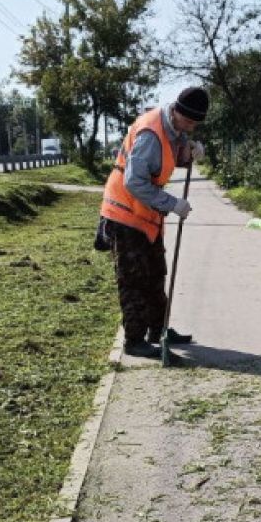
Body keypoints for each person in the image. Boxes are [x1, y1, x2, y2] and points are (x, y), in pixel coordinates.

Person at [100, 86, 207, 359]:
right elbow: (134, 181)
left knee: (156, 274)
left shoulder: (174, 129)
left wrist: (187, 153)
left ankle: (158, 329)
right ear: (176, 111)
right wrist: (172, 204)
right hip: (126, 214)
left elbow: (164, 160)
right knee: (134, 279)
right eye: (189, 122)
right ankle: (134, 341)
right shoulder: (150, 133)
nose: (191, 129)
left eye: (196, 125)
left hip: (147, 215)